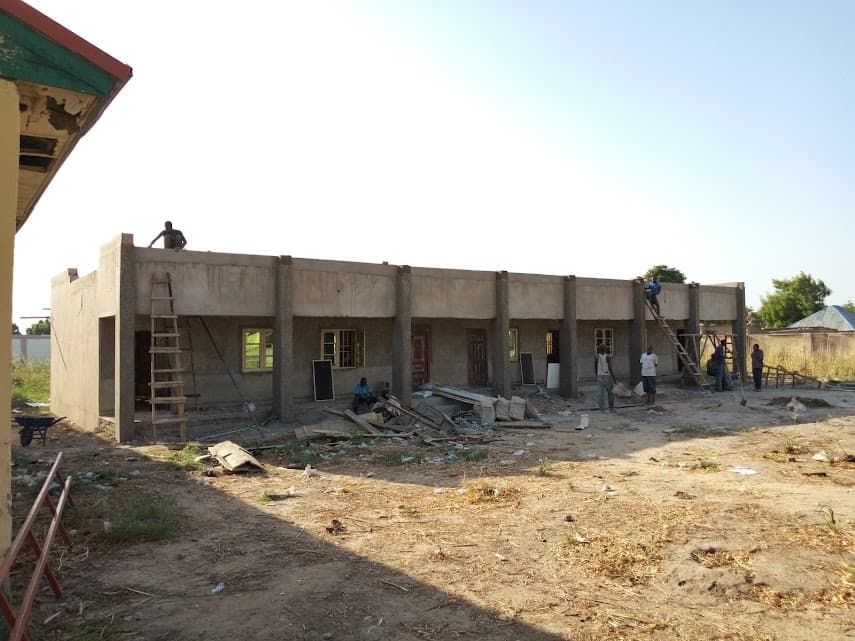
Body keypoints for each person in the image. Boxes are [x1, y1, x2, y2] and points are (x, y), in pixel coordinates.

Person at [595, 344, 617, 412]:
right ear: (605, 349)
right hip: (607, 376)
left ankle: (602, 409)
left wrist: (597, 375)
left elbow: (595, 367)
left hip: (599, 376)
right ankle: (611, 408)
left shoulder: (597, 357)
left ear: (599, 349)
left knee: (601, 393)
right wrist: (614, 378)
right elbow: (610, 368)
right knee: (610, 392)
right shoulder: (608, 357)